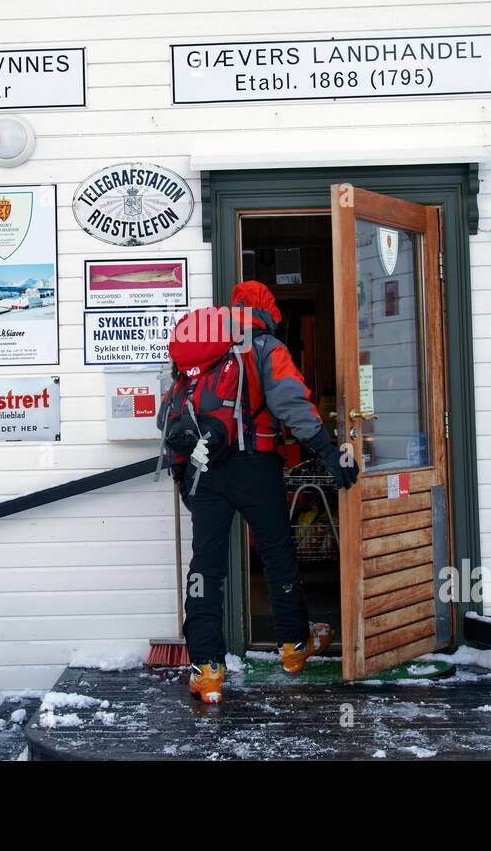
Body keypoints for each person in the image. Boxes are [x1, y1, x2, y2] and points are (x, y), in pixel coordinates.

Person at [165, 280, 358, 704]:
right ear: (268, 313)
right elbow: (291, 404)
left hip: (207, 470)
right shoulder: (268, 348)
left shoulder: (205, 347)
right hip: (258, 468)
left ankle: (208, 668)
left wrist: (183, 475)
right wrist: (327, 451)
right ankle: (292, 648)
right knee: (277, 555)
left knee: (205, 568)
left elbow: (177, 411)